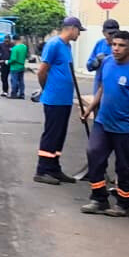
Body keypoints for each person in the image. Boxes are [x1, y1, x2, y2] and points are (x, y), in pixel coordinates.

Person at [80, 31, 129, 217]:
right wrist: (90, 108)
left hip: (126, 126)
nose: (115, 48)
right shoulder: (107, 62)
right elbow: (103, 87)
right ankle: (98, 198)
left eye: (121, 45)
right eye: (114, 44)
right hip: (103, 121)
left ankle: (123, 204)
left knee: (124, 166)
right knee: (94, 154)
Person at [34, 16, 85, 185]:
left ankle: (54, 168)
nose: (79, 34)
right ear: (72, 28)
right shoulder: (54, 44)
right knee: (52, 133)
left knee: (60, 135)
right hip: (54, 97)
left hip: (64, 98)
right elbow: (42, 71)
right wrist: (46, 88)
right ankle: (42, 170)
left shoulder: (67, 46)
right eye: (79, 31)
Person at [86, 18, 119, 95]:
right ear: (104, 33)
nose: (113, 36)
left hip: (116, 86)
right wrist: (96, 61)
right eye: (110, 33)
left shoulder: (121, 46)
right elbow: (89, 66)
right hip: (100, 85)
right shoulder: (100, 44)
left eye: (115, 33)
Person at [7, 33, 28, 99]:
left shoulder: (15, 48)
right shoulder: (24, 47)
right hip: (22, 66)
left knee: (14, 80)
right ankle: (22, 94)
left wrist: (7, 62)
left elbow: (13, 59)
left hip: (14, 67)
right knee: (21, 81)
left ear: (14, 40)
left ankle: (14, 94)